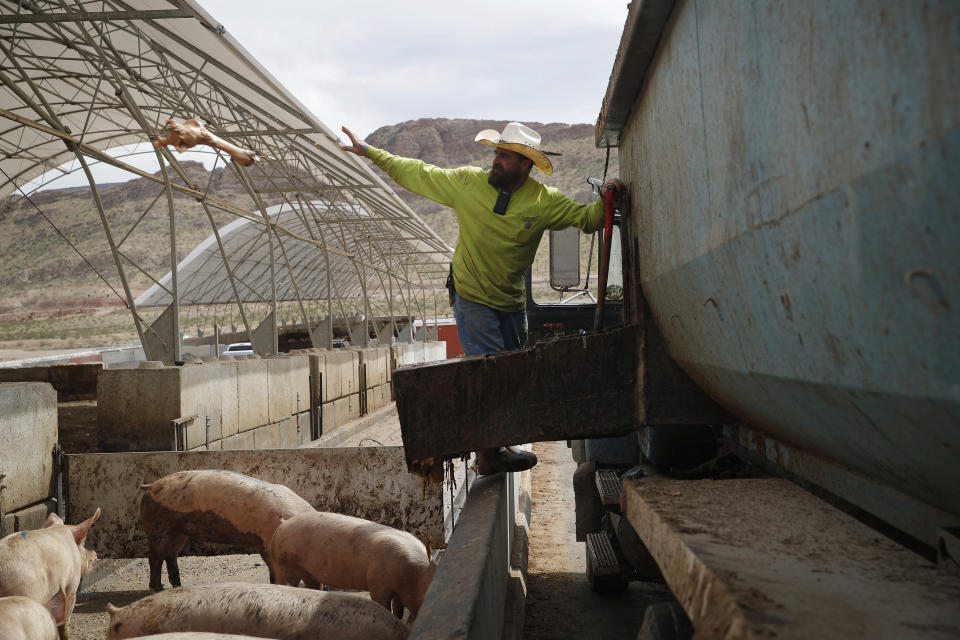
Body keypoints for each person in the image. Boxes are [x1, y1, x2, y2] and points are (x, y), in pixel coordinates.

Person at [341, 122, 622, 474]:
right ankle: (488, 454)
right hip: (472, 295)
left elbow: (587, 219)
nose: (496, 160)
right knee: (486, 370)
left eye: (505, 155)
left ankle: (499, 441)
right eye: (497, 153)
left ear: (525, 164)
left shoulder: (543, 201)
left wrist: (608, 195)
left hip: (511, 300)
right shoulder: (468, 183)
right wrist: (371, 153)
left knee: (512, 370)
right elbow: (419, 173)